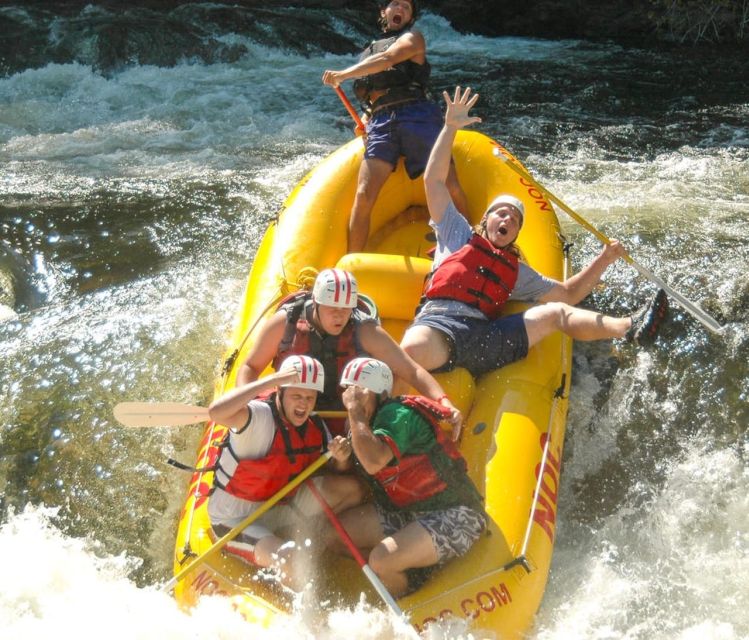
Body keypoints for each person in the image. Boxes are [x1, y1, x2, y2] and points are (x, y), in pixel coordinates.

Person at [399, 86, 670, 377]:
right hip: (441, 325)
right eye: (501, 213)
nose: (507, 219)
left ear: (515, 234)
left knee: (555, 313)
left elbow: (568, 294)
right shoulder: (457, 233)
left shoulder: (517, 271)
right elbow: (434, 182)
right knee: (412, 349)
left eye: (514, 219)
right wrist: (450, 127)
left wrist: (605, 258)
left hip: (487, 341)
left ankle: (631, 328)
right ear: (485, 220)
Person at [328, 357, 486, 597]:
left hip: (455, 512)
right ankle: (408, 568)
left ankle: (408, 593)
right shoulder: (361, 426)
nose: (353, 400)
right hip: (406, 513)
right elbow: (357, 469)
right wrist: (341, 459)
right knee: (332, 535)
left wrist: (354, 411)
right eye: (349, 394)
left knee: (380, 560)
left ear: (379, 394)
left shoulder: (397, 414)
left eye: (360, 394)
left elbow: (373, 462)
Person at [235, 268, 461, 436]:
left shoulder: (365, 330)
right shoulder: (286, 323)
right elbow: (250, 366)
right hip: (291, 405)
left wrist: (444, 403)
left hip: (343, 412)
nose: (339, 316)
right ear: (316, 303)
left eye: (345, 309)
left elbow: (411, 370)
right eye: (332, 308)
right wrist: (249, 410)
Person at [321, 0, 468, 252]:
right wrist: (367, 117)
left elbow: (389, 59)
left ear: (410, 17)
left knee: (449, 183)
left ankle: (470, 247)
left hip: (417, 114)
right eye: (395, 4)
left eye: (406, 7)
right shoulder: (367, 52)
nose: (400, 9)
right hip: (381, 122)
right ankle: (352, 262)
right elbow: (374, 95)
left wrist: (344, 74)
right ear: (383, 12)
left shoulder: (413, 38)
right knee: (363, 194)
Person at [207, 354, 361, 591]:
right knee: (289, 560)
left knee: (352, 491)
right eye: (296, 396)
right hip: (234, 518)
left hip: (278, 507)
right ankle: (291, 591)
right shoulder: (257, 417)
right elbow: (216, 413)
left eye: (309, 398)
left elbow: (337, 470)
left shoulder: (314, 426)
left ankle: (310, 541)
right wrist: (269, 381)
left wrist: (341, 459)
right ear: (279, 392)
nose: (303, 404)